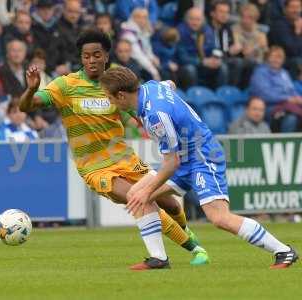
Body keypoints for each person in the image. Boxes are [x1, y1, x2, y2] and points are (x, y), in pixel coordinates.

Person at [20, 29, 209, 270]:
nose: (91, 61)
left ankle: (186, 237)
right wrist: (31, 89)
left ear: (106, 56)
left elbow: (140, 111)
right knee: (139, 197)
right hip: (95, 168)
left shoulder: (115, 84)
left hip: (126, 159)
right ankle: (186, 250)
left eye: (96, 55)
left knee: (171, 205)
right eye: (86, 56)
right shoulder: (66, 85)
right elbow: (26, 106)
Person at [100, 66, 299, 269]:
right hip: (185, 157)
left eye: (110, 97)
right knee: (136, 194)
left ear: (122, 95)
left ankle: (284, 251)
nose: (110, 102)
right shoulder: (150, 87)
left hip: (202, 156)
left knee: (219, 217)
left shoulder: (155, 116)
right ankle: (158, 259)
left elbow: (171, 163)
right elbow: (171, 85)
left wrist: (148, 190)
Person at [250, 46, 302, 132]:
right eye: (273, 57)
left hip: (288, 105)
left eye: (279, 57)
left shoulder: (284, 73)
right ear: (268, 58)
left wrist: (297, 98)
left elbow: (292, 91)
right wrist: (287, 98)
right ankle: (286, 142)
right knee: (291, 118)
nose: (276, 60)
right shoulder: (260, 72)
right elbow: (265, 94)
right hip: (268, 107)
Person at [177, 7, 228, 89]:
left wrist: (216, 59)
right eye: (192, 19)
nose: (195, 22)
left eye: (198, 20)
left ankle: (220, 95)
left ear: (202, 21)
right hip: (188, 65)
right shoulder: (180, 32)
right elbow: (182, 58)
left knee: (222, 67)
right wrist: (202, 62)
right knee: (190, 69)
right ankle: (194, 96)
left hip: (205, 63)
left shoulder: (207, 30)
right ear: (186, 20)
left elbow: (214, 48)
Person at [232, 3, 268, 88]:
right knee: (251, 63)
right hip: (243, 61)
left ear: (255, 19)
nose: (245, 20)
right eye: (243, 17)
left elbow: (266, 51)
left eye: (250, 18)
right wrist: (257, 45)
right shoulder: (235, 29)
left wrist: (259, 47)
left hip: (259, 62)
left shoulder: (261, 32)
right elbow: (245, 53)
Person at [120, 8, 161, 81]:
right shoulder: (128, 33)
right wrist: (153, 70)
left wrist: (152, 58)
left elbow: (147, 49)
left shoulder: (143, 31)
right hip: (132, 64)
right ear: (133, 18)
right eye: (139, 17)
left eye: (145, 17)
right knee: (154, 74)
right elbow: (138, 55)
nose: (142, 20)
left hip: (144, 63)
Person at [31, 0, 68, 76]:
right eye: (43, 9)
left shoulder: (58, 27)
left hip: (58, 70)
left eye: (49, 9)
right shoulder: (32, 27)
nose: (46, 12)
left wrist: (63, 64)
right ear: (38, 10)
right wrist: (51, 69)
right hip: (40, 70)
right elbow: (35, 52)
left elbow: (63, 48)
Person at [269, 0, 302, 78]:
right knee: (297, 61)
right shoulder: (279, 25)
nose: (296, 10)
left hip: (296, 58)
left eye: (298, 7)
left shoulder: (298, 24)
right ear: (285, 9)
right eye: (292, 7)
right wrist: (297, 33)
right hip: (281, 60)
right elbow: (292, 51)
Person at [57, 0, 86, 72]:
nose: (74, 15)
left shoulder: (85, 28)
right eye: (70, 11)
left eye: (77, 12)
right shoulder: (56, 28)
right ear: (63, 11)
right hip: (62, 69)